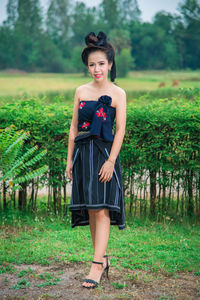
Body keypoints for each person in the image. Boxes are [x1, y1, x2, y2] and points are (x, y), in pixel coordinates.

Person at [66, 31, 126, 289]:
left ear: (110, 64)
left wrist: (111, 160)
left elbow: (121, 129)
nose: (96, 69)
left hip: (104, 155)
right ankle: (101, 258)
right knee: (92, 209)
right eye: (92, 64)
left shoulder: (118, 93)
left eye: (101, 63)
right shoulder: (80, 90)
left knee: (102, 209)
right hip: (83, 154)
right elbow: (73, 128)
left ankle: (96, 265)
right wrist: (69, 160)